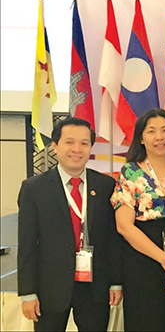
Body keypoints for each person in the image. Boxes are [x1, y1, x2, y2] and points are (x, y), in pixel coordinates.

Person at [18, 117, 123, 331]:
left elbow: (112, 240)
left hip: (95, 287)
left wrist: (116, 281)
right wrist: (27, 293)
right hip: (50, 288)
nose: (77, 149)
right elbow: (27, 244)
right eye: (69, 142)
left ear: (90, 147)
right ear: (55, 146)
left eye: (84, 143)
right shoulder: (34, 189)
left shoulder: (106, 186)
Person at [111, 109, 165, 331]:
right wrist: (163, 259)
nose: (159, 137)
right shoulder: (130, 172)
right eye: (152, 131)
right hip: (143, 261)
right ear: (141, 138)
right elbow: (124, 226)